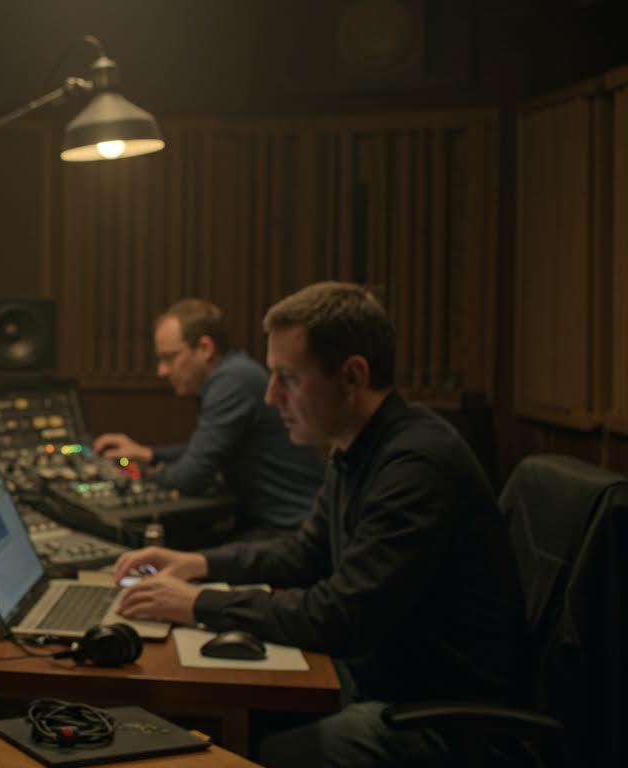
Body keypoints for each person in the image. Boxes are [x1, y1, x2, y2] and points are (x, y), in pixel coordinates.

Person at [110, 283, 528, 767]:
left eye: (287, 377)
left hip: (441, 718)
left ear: (352, 376)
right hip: (389, 678)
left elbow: (341, 618)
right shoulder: (356, 445)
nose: (270, 396)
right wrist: (196, 564)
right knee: (228, 718)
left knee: (263, 747)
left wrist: (199, 604)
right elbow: (304, 554)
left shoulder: (415, 465)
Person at [92, 299, 323, 537]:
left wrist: (139, 472)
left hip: (290, 531)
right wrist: (147, 453)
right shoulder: (233, 374)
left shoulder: (231, 383)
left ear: (205, 348)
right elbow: (202, 450)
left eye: (169, 358)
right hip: (274, 523)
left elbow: (188, 478)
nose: (161, 371)